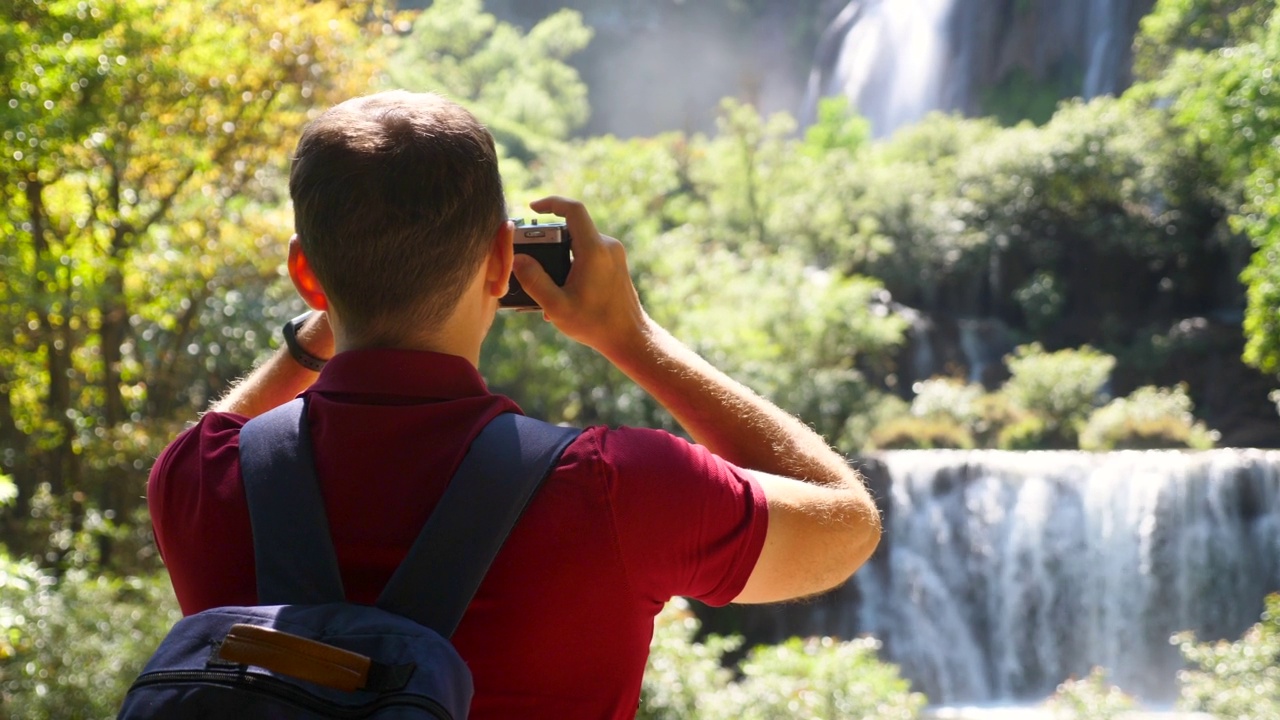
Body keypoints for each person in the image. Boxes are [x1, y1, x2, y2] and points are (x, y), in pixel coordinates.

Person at [147, 90, 882, 719]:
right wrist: (635, 338)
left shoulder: (199, 483)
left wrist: (312, 340)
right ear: (503, 262)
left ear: (305, 274)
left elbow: (223, 429)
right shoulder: (619, 487)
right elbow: (847, 524)